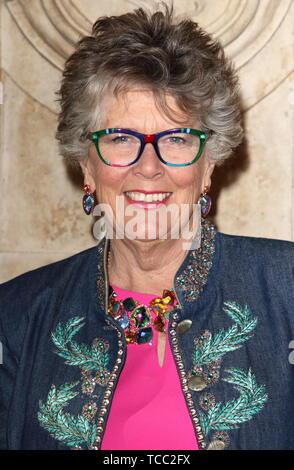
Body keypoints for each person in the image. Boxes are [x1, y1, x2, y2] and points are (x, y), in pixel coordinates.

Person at [0, 4, 293, 451]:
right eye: (121, 138)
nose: (148, 167)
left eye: (176, 138)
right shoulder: (17, 315)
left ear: (209, 164)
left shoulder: (286, 288)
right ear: (86, 163)